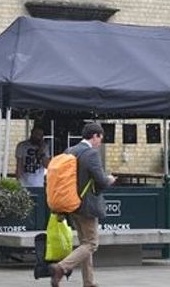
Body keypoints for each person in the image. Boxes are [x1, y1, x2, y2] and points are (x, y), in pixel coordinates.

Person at [49, 122, 116, 287]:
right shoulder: (91, 154)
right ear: (95, 136)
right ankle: (61, 268)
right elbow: (100, 181)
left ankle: (89, 282)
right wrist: (110, 180)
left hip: (71, 203)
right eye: (101, 138)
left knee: (85, 242)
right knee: (91, 243)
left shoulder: (69, 150)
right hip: (87, 205)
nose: (101, 142)